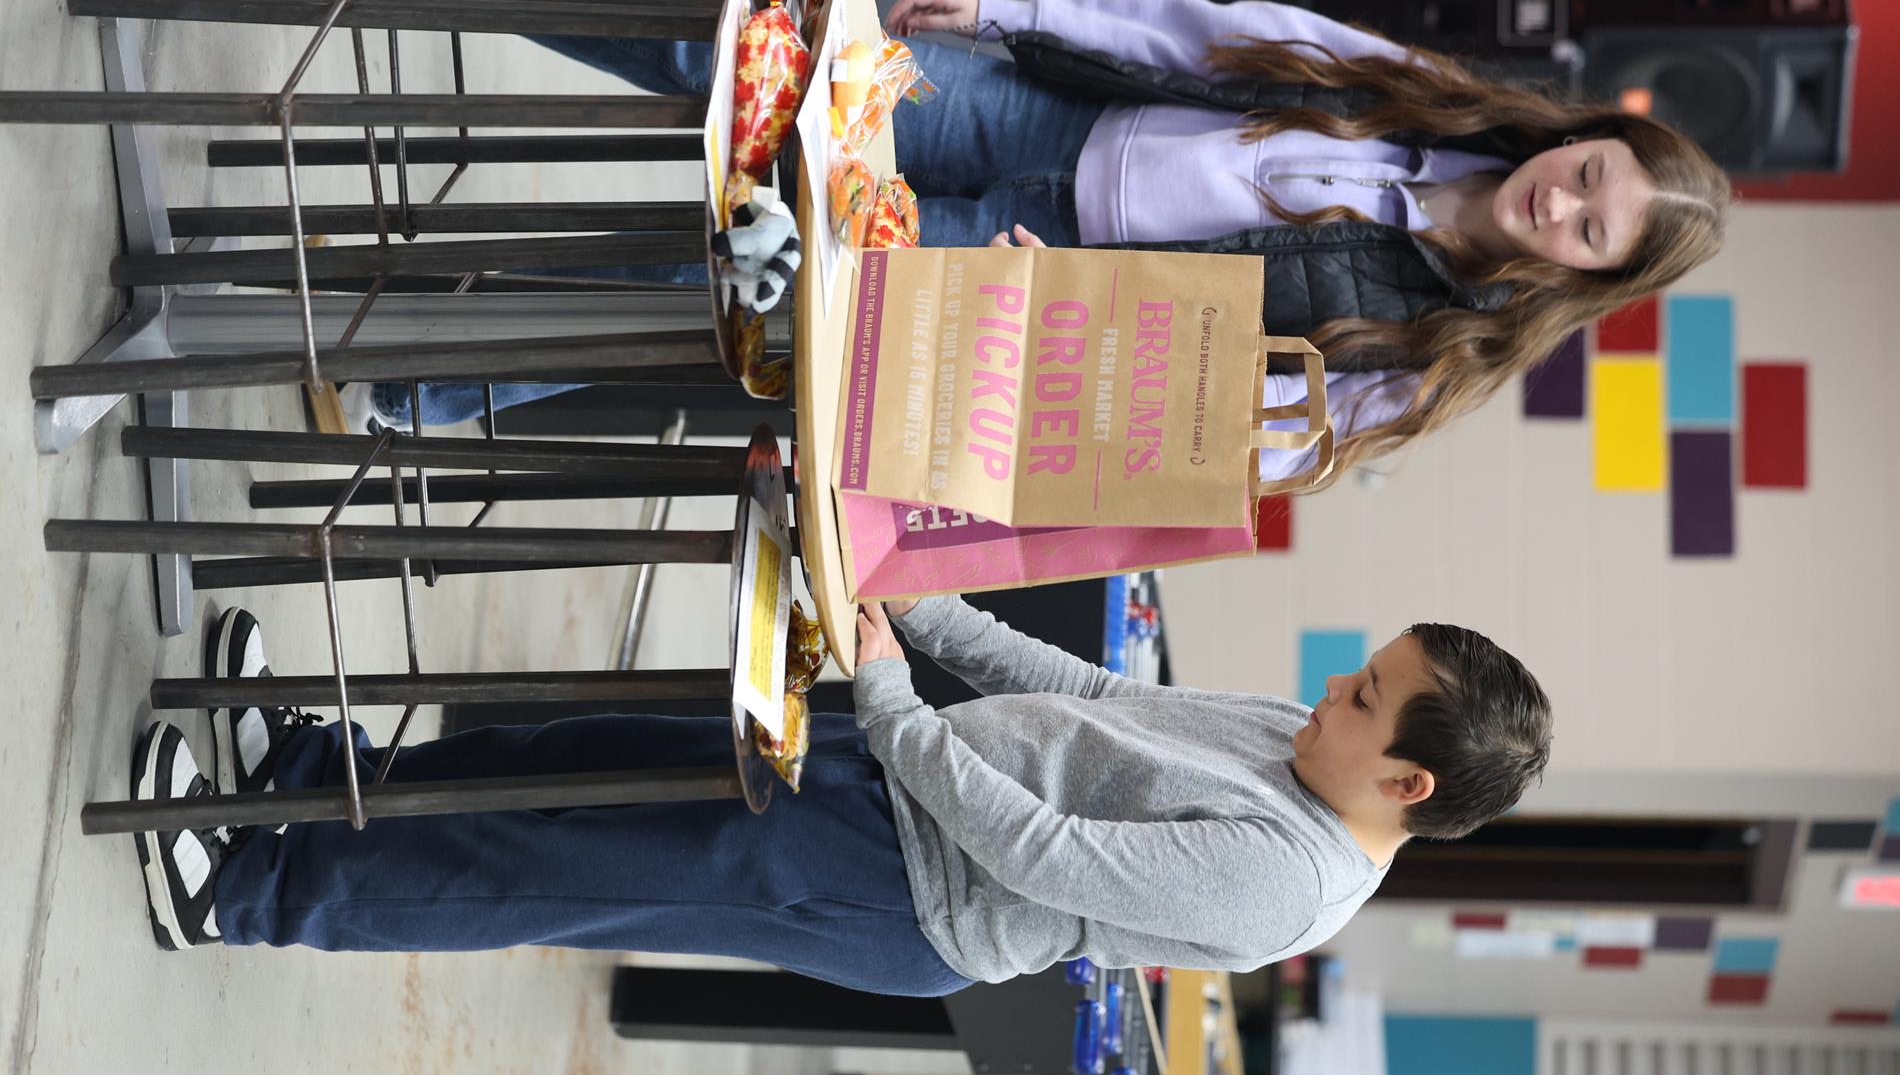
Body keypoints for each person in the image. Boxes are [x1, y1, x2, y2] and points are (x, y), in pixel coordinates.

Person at [272, 0, 1728, 485]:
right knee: (737, 55)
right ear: (1584, 133)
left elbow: (1246, 440)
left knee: (736, 284)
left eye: (1593, 227)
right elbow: (1210, 35)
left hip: (1027, 276)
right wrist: (1018, 13)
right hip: (1040, 116)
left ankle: (421, 380)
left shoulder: (1432, 356)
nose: (1568, 200)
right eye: (1593, 169)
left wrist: (1071, 337)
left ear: (1588, 274)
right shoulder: (1424, 98)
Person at [129, 599, 1552, 994]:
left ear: (1407, 782)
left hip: (900, 874)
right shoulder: (1296, 746)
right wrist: (917, 604)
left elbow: (1039, 847)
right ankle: (312, 784)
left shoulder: (1285, 883)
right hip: (898, 751)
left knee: (562, 861)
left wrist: (891, 700)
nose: (1329, 695)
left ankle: (251, 887)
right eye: (1360, 670)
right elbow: (1096, 699)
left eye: (1362, 699)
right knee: (580, 747)